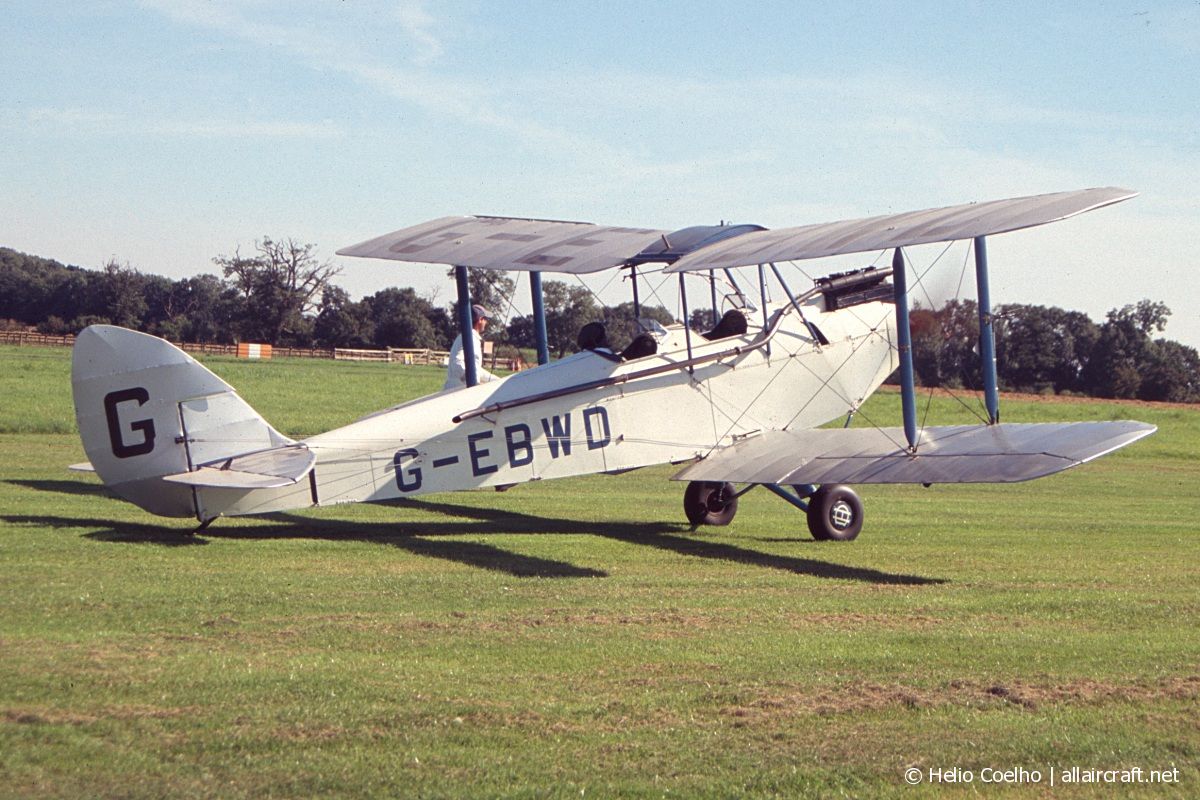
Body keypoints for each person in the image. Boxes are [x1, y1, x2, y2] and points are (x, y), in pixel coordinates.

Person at [443, 304, 499, 390]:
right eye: (485, 319)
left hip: (459, 387)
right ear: (480, 320)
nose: (486, 322)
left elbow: (475, 369)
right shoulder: (470, 338)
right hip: (459, 390)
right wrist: (472, 382)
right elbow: (457, 363)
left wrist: (496, 380)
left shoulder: (469, 337)